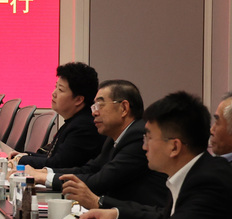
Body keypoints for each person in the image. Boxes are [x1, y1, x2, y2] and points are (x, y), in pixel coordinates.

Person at [76, 91, 232, 219]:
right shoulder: (197, 171)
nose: (144, 147)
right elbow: (163, 217)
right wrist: (115, 214)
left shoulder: (210, 182)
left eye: (149, 138)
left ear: (174, 146)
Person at [25, 79, 169, 211]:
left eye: (100, 105)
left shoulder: (138, 136)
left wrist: (43, 178)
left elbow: (99, 182)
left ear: (124, 108)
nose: (94, 113)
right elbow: (90, 169)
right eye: (94, 106)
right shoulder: (115, 137)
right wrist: (45, 172)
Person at [16, 62, 103, 169]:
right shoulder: (75, 120)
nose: (54, 93)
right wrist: (26, 155)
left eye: (61, 90)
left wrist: (20, 160)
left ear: (79, 100)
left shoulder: (83, 127)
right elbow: (53, 156)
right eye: (56, 87)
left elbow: (57, 164)